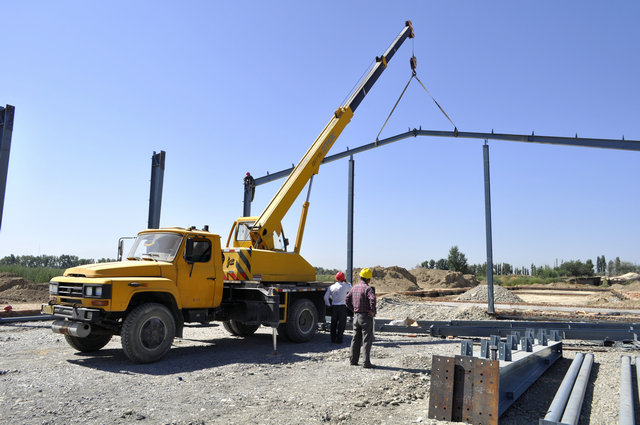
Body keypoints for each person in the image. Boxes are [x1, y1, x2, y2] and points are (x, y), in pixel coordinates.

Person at [345, 268, 376, 368]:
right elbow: (372, 299)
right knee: (366, 340)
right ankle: (366, 363)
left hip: (356, 316)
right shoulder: (368, 289)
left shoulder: (354, 288)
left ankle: (353, 361)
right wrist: (372, 310)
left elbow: (347, 299)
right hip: (365, 317)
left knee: (355, 339)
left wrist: (353, 309)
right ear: (368, 279)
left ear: (360, 277)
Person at [324, 271, 352, 344]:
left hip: (334, 306)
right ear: (343, 278)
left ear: (336, 278)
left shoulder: (331, 287)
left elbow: (326, 297)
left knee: (333, 323)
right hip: (342, 307)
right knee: (341, 323)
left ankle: (333, 339)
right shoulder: (345, 286)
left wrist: (328, 305)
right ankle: (339, 339)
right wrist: (346, 281)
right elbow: (351, 288)